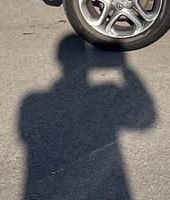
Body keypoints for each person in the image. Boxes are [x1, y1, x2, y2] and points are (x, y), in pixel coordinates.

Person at [19, 35, 156, 200]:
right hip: (103, 186)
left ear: (59, 59)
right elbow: (145, 120)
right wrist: (125, 70)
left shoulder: (32, 102)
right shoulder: (106, 94)